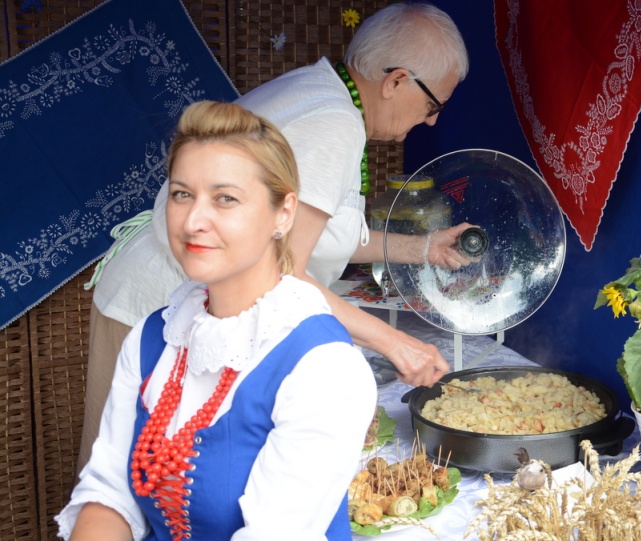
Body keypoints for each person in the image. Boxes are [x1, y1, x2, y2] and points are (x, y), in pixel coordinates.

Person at [79, 2, 470, 471]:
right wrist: (393, 342)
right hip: (161, 315)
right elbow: (283, 277)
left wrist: (425, 249)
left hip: (186, 311)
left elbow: (319, 233)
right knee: (137, 487)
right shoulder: (334, 125)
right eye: (433, 106)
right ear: (396, 81)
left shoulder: (326, 94)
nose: (431, 121)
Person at [57, 101, 377, 540]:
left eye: (225, 199)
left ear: (284, 213)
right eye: (181, 194)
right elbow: (109, 494)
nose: (192, 221)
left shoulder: (324, 368)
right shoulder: (154, 337)